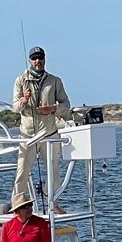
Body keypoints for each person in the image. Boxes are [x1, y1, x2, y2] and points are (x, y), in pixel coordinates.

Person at [12, 46, 71, 200]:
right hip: (28, 135)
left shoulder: (55, 81)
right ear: (30, 60)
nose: (37, 61)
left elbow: (66, 105)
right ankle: (17, 204)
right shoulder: (20, 80)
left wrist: (52, 109)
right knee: (22, 171)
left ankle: (50, 200)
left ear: (45, 59)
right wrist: (24, 100)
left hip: (49, 133)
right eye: (34, 58)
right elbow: (15, 107)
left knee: (54, 171)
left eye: (40, 57)